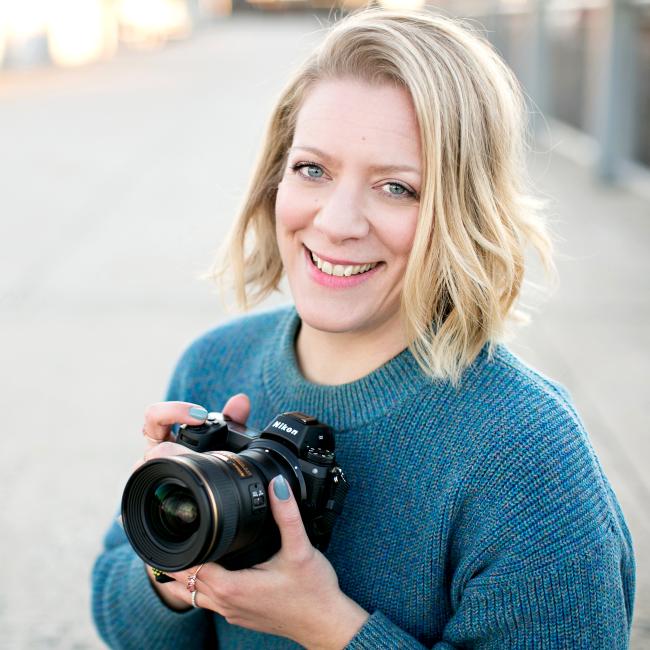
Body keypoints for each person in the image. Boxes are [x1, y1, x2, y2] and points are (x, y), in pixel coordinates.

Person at [92, 8, 635, 649]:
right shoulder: (214, 365)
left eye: (396, 187)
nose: (337, 222)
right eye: (313, 170)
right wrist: (174, 558)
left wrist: (327, 625)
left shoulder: (526, 454)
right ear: (275, 178)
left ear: (463, 211)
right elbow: (124, 623)